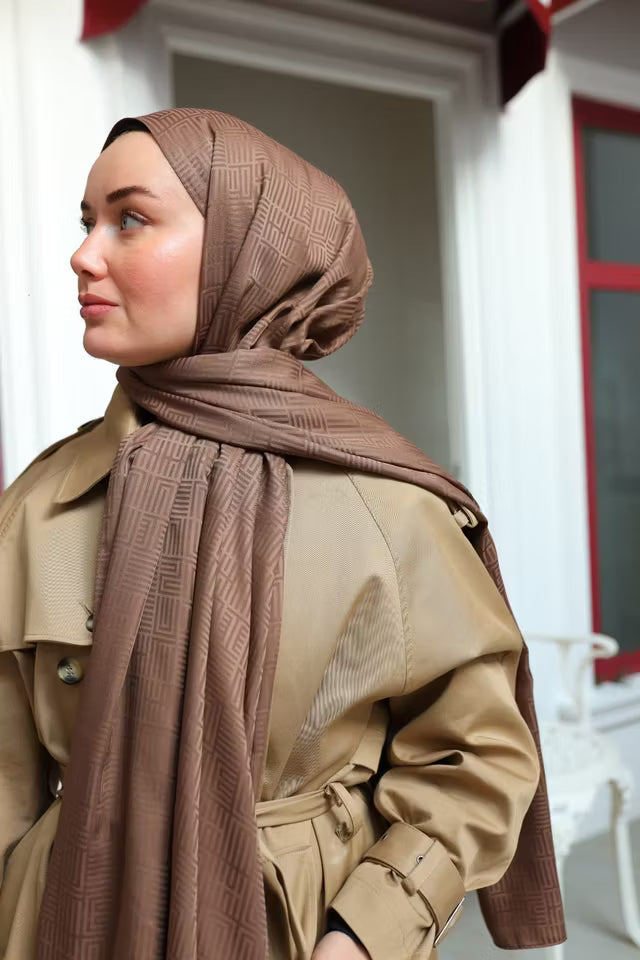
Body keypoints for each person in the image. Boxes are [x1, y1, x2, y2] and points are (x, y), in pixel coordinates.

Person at [0, 108, 565, 960]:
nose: (83, 255)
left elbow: (475, 760)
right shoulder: (41, 503)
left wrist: (364, 935)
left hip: (295, 928)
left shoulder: (388, 507)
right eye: (86, 223)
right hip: (65, 918)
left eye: (130, 219)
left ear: (246, 252)